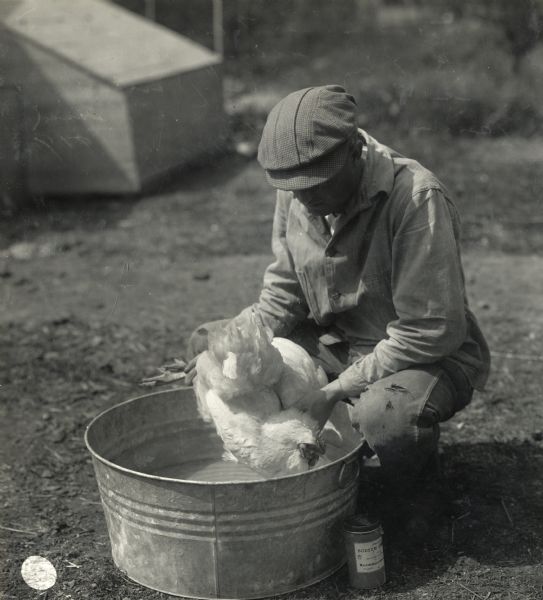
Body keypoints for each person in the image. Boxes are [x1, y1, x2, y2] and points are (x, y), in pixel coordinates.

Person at [185, 85, 490, 536]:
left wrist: (331, 392)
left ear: (354, 151)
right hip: (337, 343)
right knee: (209, 344)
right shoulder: (299, 188)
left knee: (384, 416)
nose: (305, 199)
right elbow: (285, 290)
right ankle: (297, 466)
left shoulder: (415, 198)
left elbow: (431, 330)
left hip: (423, 356)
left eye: (317, 185)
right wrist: (231, 351)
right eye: (294, 189)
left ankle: (418, 492)